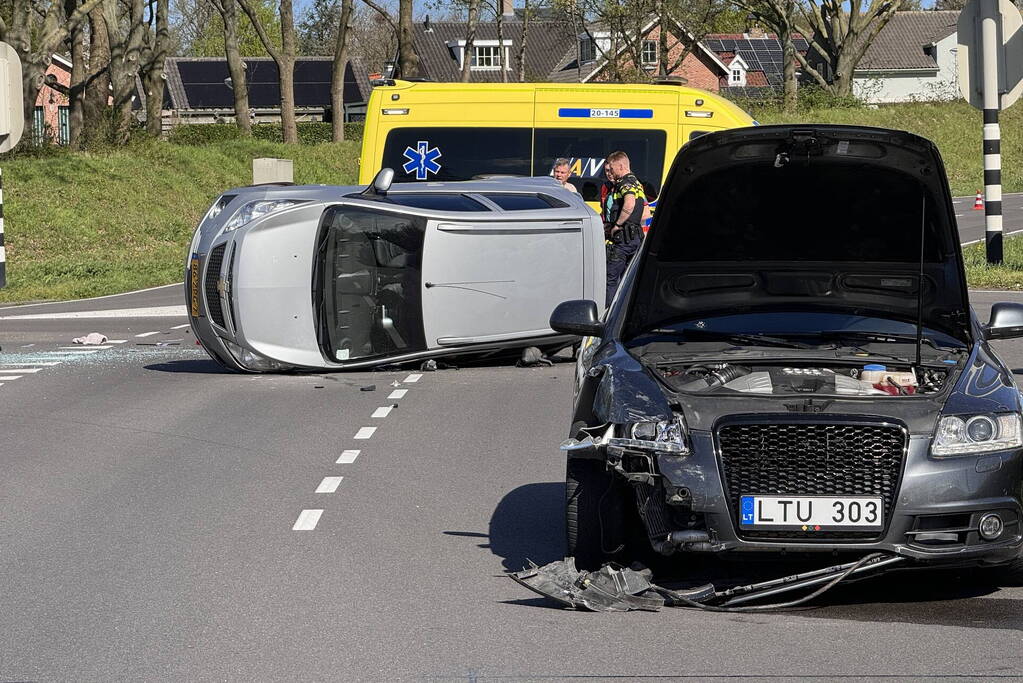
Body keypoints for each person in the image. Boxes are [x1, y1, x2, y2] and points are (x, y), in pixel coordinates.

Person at [604, 151, 647, 307]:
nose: (611, 172)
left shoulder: (624, 183)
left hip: (622, 240)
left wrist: (617, 225)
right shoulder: (636, 183)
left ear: (621, 166)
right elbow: (644, 212)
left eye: (612, 168)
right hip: (635, 238)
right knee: (628, 280)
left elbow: (629, 204)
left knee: (610, 279)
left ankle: (610, 314)